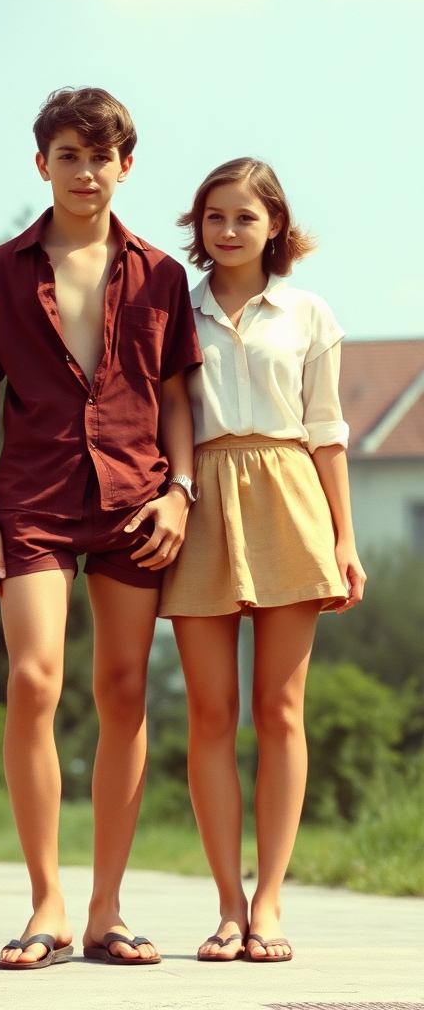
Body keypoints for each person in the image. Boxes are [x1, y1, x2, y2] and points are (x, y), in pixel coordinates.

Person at [0, 87, 202, 969]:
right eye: (67, 156)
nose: (84, 172)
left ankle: (106, 910)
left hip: (136, 500)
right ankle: (45, 901)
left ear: (126, 165)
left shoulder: (162, 273)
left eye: (101, 157)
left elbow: (175, 399)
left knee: (123, 692)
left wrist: (182, 492)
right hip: (32, 503)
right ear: (41, 163)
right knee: (33, 677)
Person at [159, 157, 366, 963]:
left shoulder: (310, 313)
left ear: (274, 223)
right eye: (215, 217)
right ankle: (226, 906)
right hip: (205, 498)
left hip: (290, 495)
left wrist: (345, 540)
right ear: (199, 227)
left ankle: (271, 904)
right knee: (211, 714)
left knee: (280, 712)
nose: (229, 230)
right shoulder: (175, 308)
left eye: (245, 216)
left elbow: (329, 431)